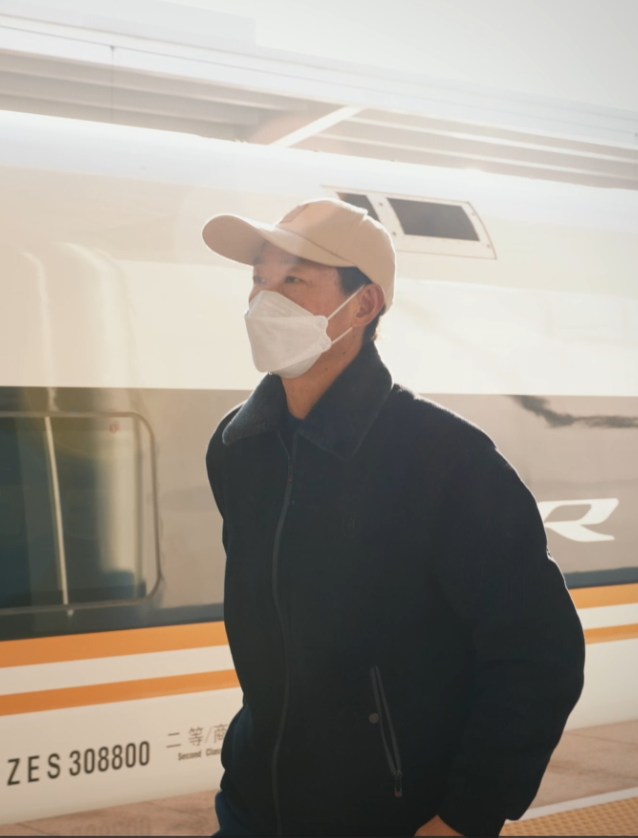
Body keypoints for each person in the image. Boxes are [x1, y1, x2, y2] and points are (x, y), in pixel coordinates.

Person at [201, 198, 585, 836]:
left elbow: (539, 650)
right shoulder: (239, 447)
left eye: (293, 280)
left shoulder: (446, 457)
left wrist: (467, 815)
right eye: (259, 278)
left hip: (394, 816)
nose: (264, 300)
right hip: (251, 806)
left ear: (364, 305)